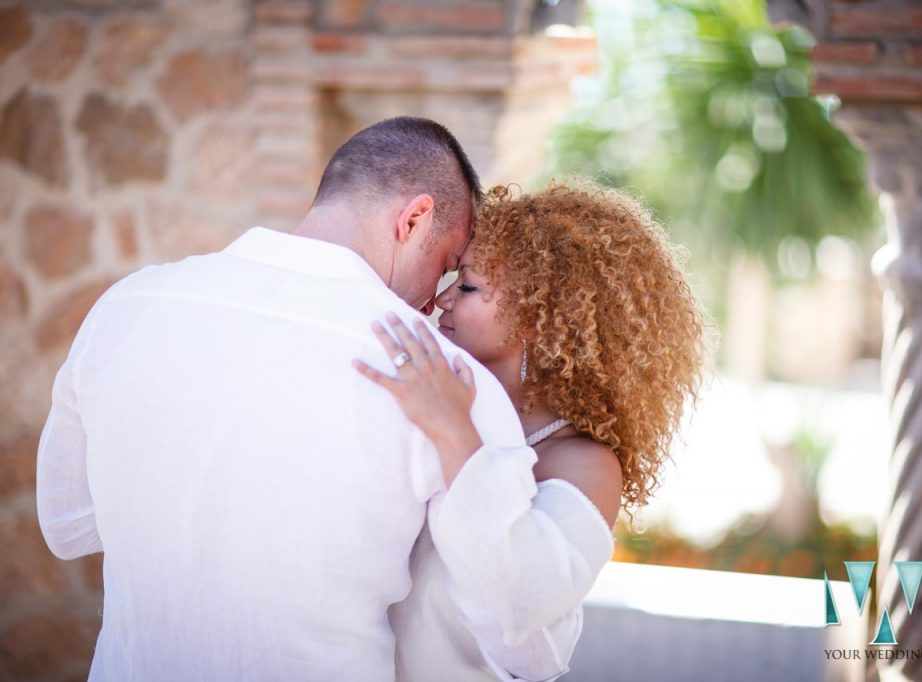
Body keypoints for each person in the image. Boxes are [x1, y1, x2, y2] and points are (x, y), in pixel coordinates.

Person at [35, 117, 548, 680]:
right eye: (446, 265)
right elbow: (518, 638)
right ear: (415, 218)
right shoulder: (446, 380)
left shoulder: (126, 305)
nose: (433, 300)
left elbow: (67, 526)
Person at [355, 182, 710, 680]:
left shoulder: (585, 462)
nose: (441, 299)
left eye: (469, 287)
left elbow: (525, 611)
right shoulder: (441, 399)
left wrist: (455, 432)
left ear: (541, 316)